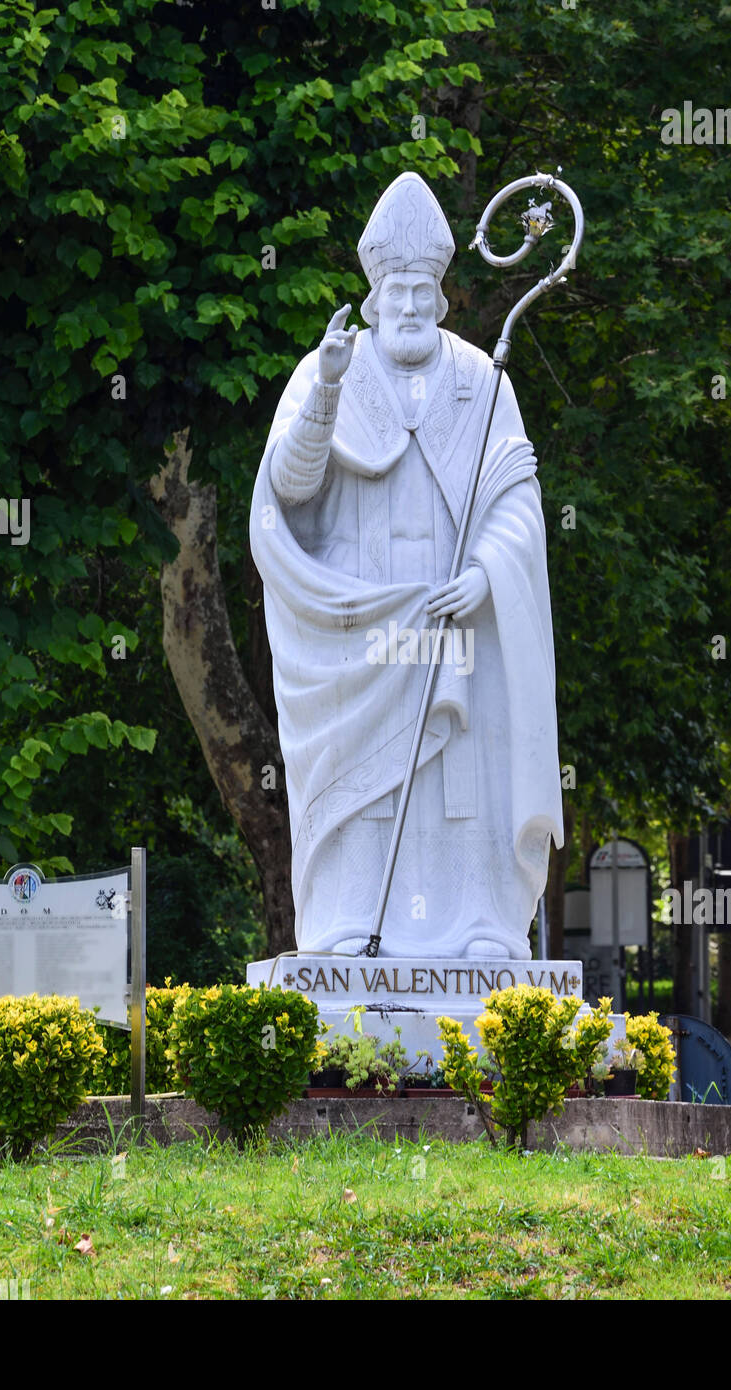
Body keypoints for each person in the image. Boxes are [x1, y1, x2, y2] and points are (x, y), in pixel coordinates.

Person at [250, 172, 563, 959]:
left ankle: (479, 925)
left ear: (443, 297)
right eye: (399, 295)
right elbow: (288, 489)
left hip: (457, 617)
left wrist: (489, 573)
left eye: (425, 293)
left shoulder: (481, 381)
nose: (413, 308)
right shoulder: (331, 367)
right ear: (373, 299)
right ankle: (354, 920)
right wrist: (324, 388)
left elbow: (517, 502)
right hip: (363, 624)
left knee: (460, 772)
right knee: (372, 778)